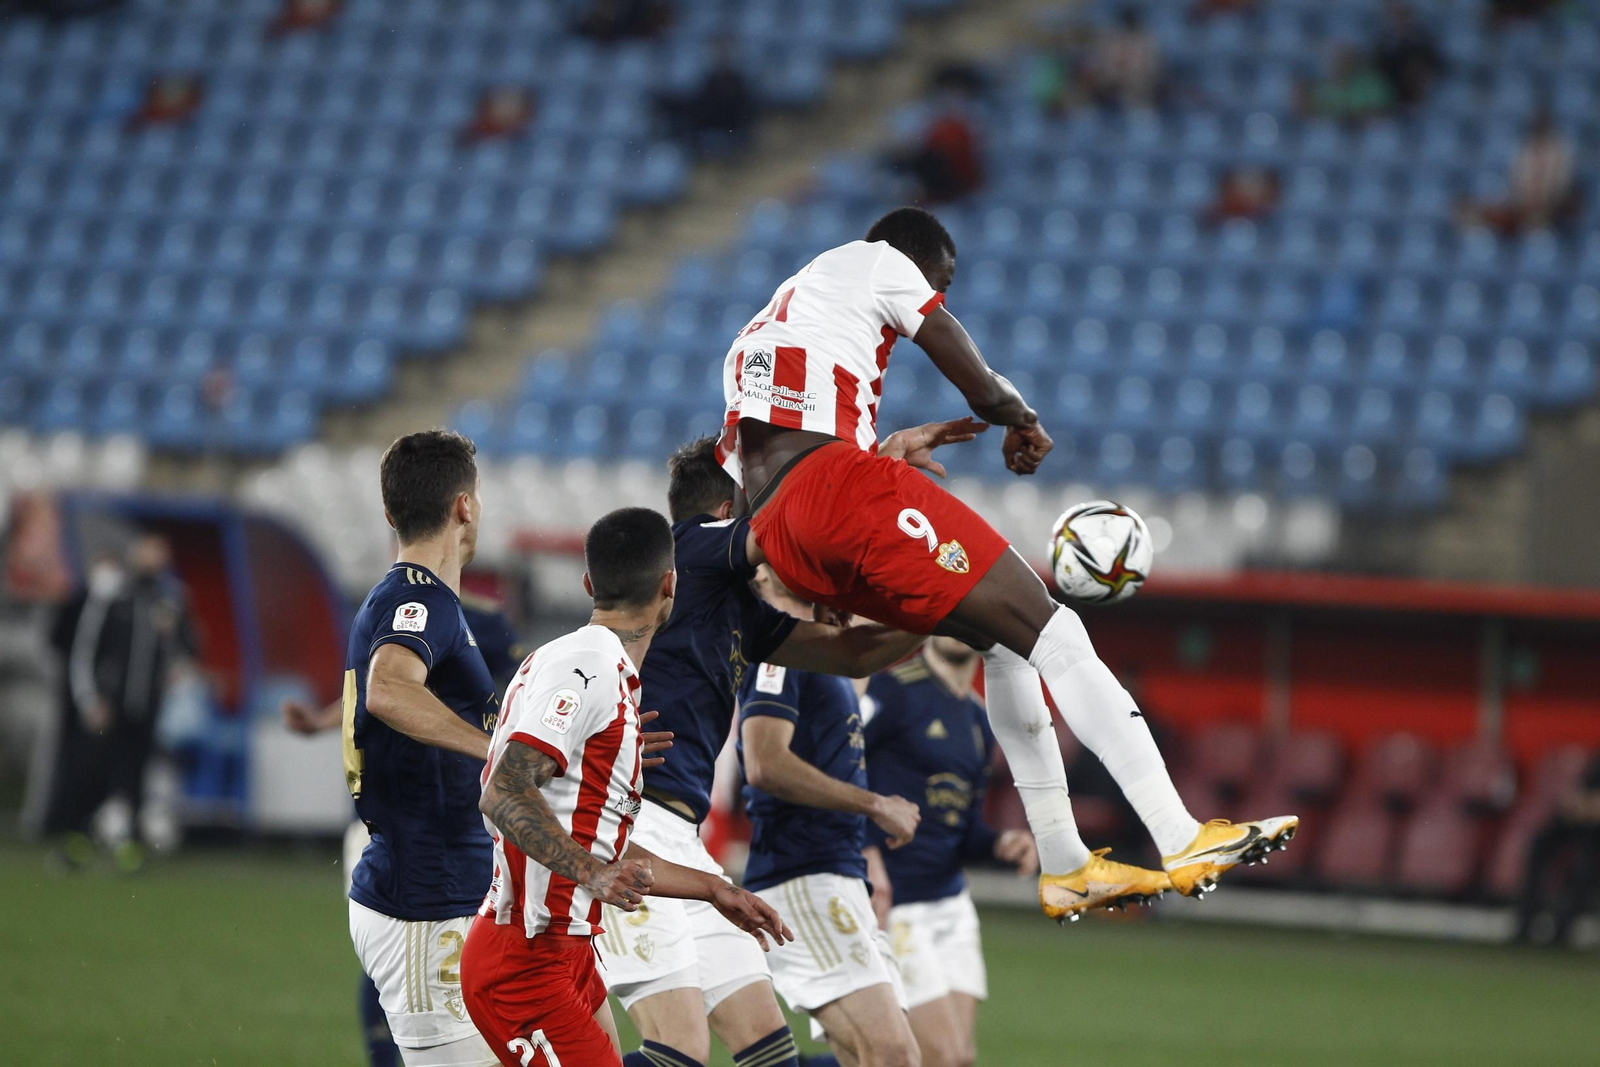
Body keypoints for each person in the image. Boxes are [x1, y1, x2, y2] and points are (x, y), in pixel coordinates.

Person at [713, 205, 1297, 922]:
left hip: (781, 530)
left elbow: (756, 486)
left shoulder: (761, 333)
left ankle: (1067, 864)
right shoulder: (879, 260)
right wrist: (1017, 416)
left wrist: (821, 563)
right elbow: (966, 362)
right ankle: (1181, 836)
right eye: (942, 281)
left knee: (1001, 642)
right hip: (838, 492)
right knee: (1055, 630)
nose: (940, 295)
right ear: (917, 259)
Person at [596, 435, 961, 1067]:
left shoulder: (737, 605)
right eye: (753, 490)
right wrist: (877, 476)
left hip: (685, 837)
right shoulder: (693, 553)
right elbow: (793, 523)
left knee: (769, 1049)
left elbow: (854, 652)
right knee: (679, 1051)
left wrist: (942, 601)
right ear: (726, 508)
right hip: (631, 823)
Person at [462, 507, 790, 1067]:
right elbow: (502, 790)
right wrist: (593, 872)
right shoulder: (585, 668)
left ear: (590, 584)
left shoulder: (605, 675)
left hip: (569, 953)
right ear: (671, 585)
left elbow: (600, 843)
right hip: (523, 961)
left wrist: (714, 890)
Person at [284, 592, 531, 1067]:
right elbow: (381, 690)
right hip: (413, 829)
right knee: (397, 958)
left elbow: (507, 697)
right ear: (463, 515)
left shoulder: (468, 618)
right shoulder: (404, 605)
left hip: (461, 820)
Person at [737, 569, 922, 1067]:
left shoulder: (817, 653)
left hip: (836, 874)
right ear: (762, 574)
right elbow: (764, 763)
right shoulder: (778, 653)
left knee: (863, 1057)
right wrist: (876, 806)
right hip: (802, 875)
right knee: (893, 1055)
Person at [862, 640, 1037, 1067]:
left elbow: (964, 826)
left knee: (959, 1057)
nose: (957, 624)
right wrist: (865, 853)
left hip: (951, 903)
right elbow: (840, 765)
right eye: (949, 612)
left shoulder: (979, 716)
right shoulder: (892, 689)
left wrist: (999, 844)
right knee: (936, 1056)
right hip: (899, 904)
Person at [42, 536, 196, 872]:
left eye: (160, 552)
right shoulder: (114, 595)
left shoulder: (168, 599)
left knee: (135, 780)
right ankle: (75, 845)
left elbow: (188, 648)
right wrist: (90, 698)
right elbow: (85, 650)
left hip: (145, 707)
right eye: (149, 550)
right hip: (109, 707)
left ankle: (130, 850)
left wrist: (176, 655)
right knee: (90, 775)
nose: (154, 558)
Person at [1515, 752, 1600, 947]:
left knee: (1587, 859)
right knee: (1540, 842)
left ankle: (1563, 928)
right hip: (1583, 817)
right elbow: (1581, 789)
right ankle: (1525, 920)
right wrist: (1577, 803)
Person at [1460, 111, 1579, 235]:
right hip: (1521, 206)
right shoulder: (1525, 148)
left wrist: (1542, 203)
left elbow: (1560, 186)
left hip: (1551, 210)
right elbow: (1516, 181)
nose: (1537, 127)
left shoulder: (1560, 151)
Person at [1083, 8, 1162, 109]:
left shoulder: (1146, 42)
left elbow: (1152, 71)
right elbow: (1103, 69)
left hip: (1138, 92)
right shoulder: (1111, 40)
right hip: (1109, 91)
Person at [1373, 1, 1443, 109]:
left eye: (1404, 15)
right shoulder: (1382, 44)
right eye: (1395, 15)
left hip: (1423, 101)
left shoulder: (1423, 41)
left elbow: (1433, 67)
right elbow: (1379, 74)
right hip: (1392, 98)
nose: (1400, 20)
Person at [1303, 45, 1395, 123]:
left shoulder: (1373, 83)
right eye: (1338, 61)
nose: (1342, 64)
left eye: (1345, 60)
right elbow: (1317, 114)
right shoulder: (1324, 88)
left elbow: (1384, 110)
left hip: (1371, 131)